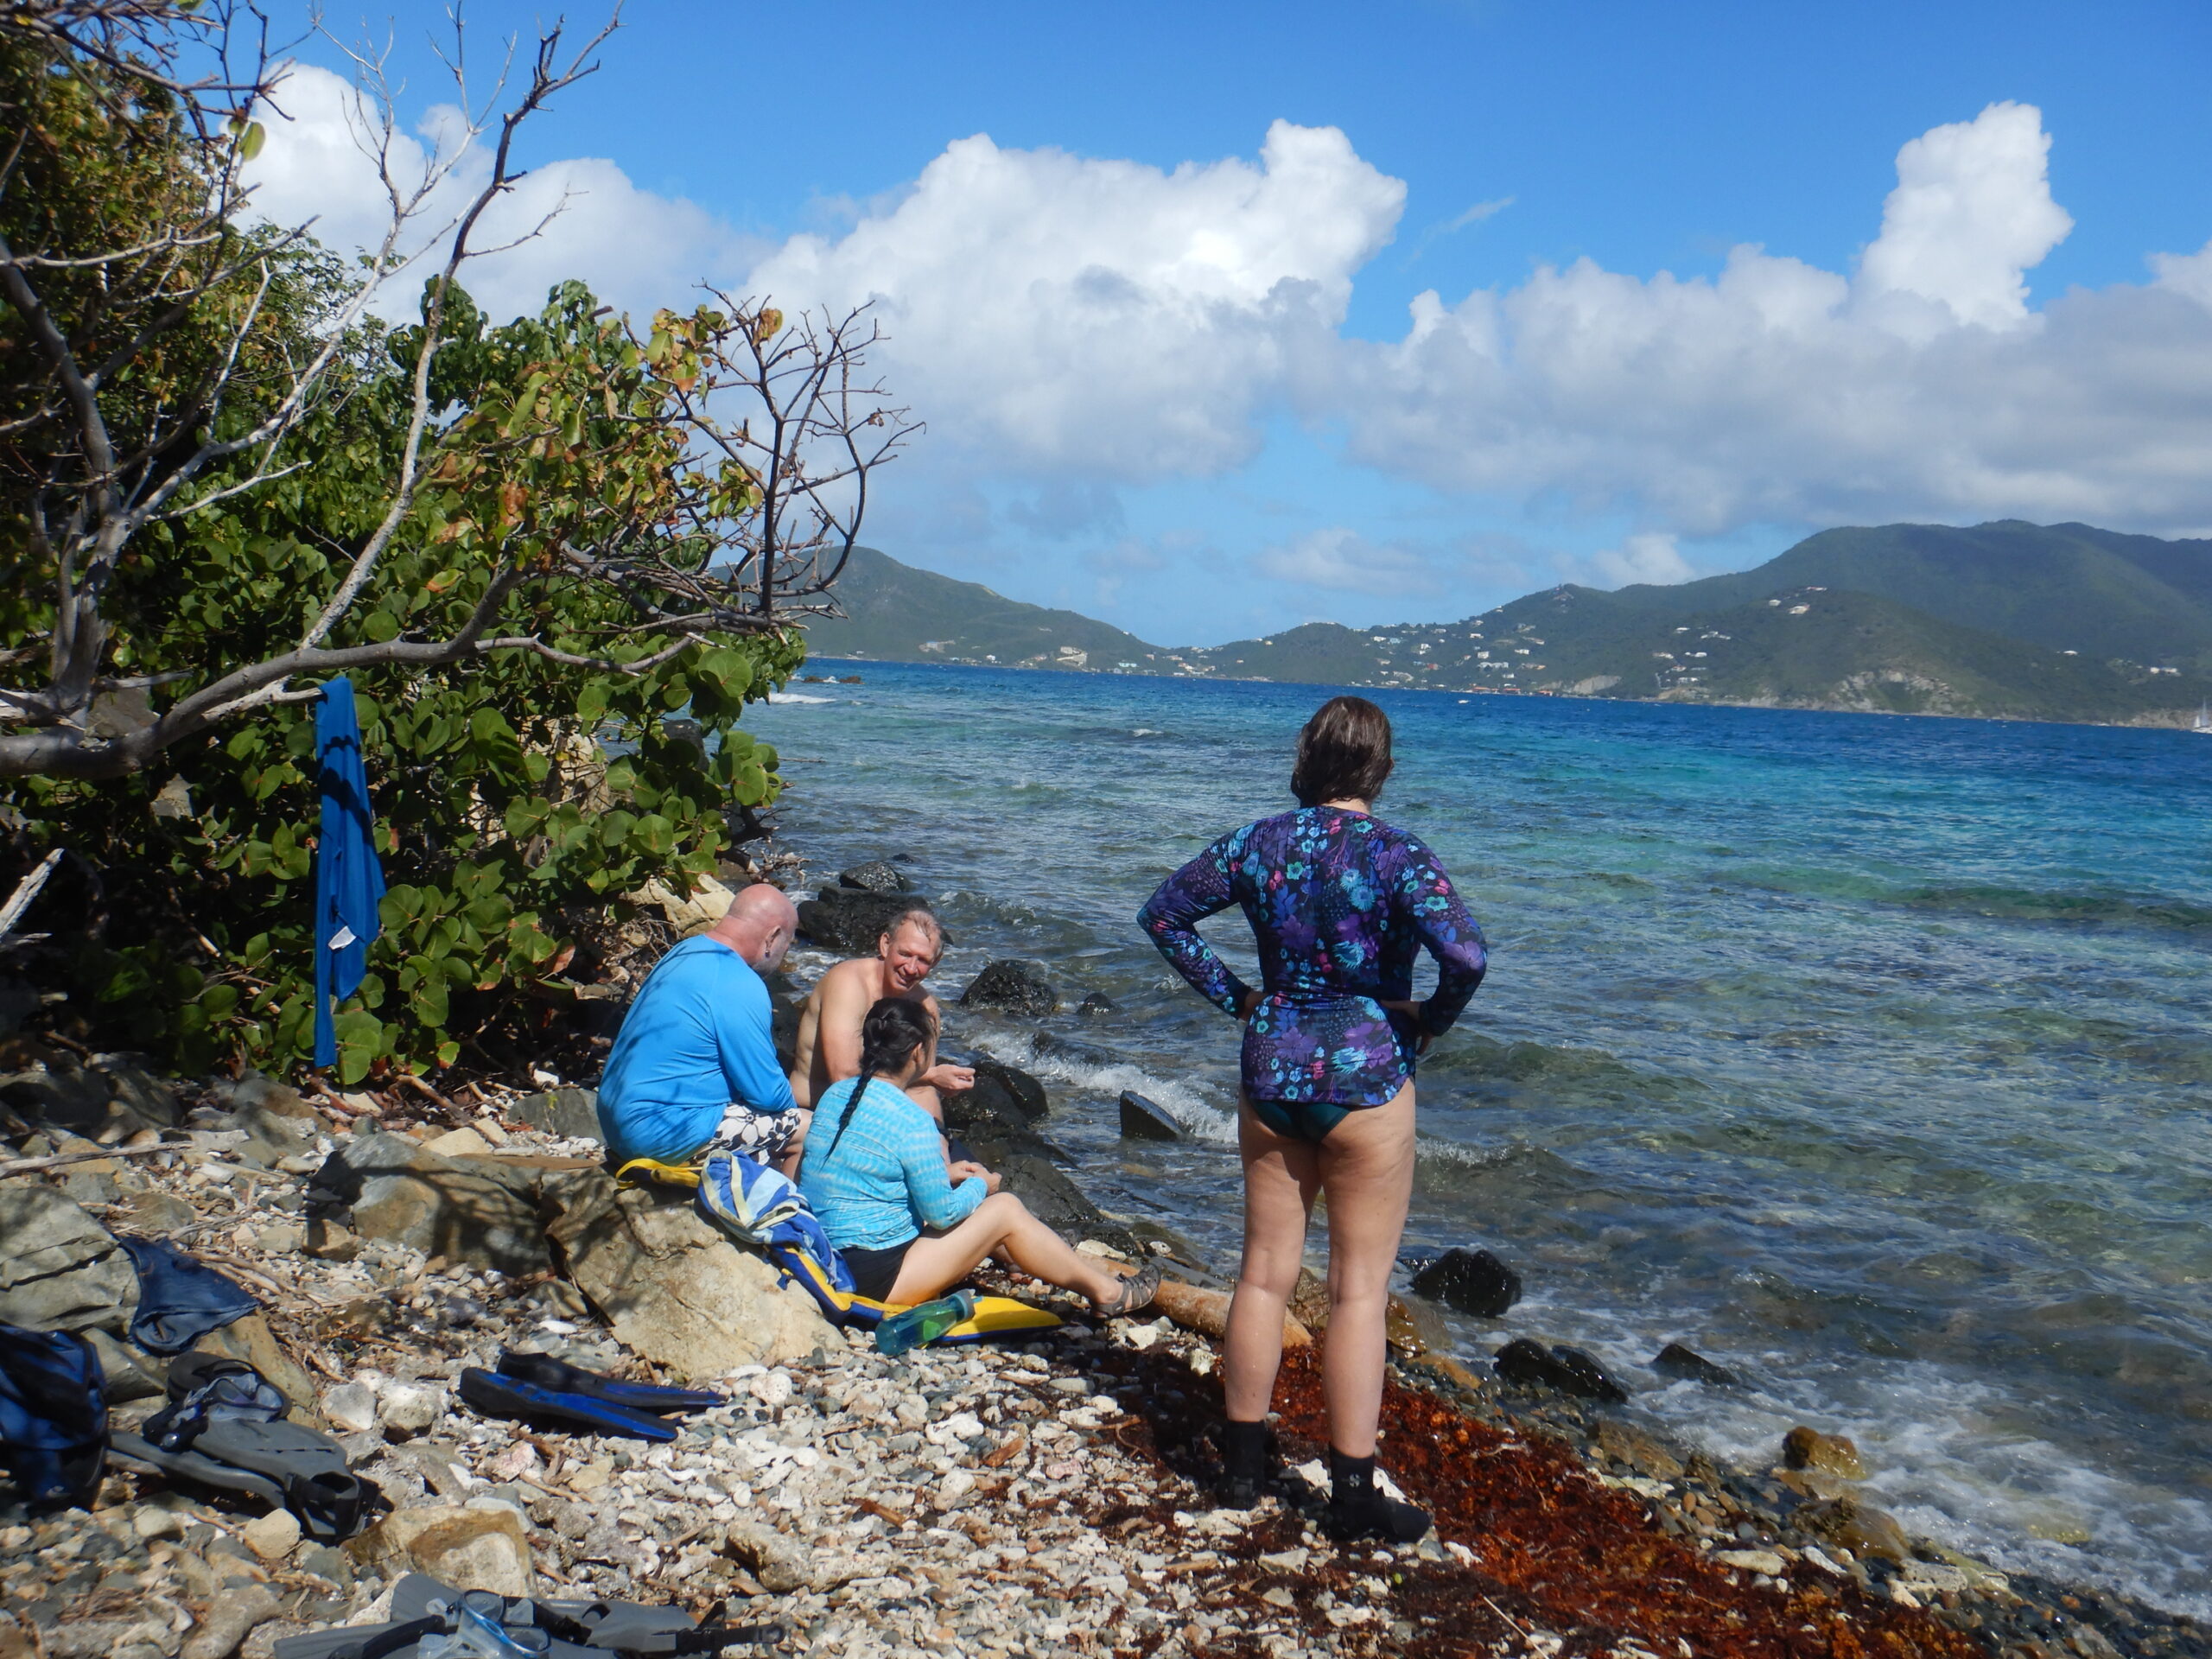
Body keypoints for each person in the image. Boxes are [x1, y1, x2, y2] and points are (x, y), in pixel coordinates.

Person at [1138, 696, 1486, 1542]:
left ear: (1305, 758)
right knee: (1357, 1292)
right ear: (1381, 769)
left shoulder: (1256, 843)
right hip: (1367, 1074)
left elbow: (1164, 917)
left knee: (1261, 1275)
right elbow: (1467, 955)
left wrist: (1239, 1000)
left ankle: (1242, 1472)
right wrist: (1426, 1022)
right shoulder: (1397, 853)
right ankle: (1353, 1494)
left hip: (1273, 1067)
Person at [799, 996, 1160, 1316]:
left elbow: (867, 1173)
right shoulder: (912, 1120)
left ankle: (1067, 1271)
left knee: (984, 1208)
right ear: (917, 1053)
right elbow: (941, 1215)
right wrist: (979, 1186)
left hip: (825, 1258)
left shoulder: (836, 1095)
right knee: (1004, 1208)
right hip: (874, 1282)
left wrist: (948, 1173)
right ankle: (1109, 1293)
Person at [595, 884, 809, 1174]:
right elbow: (769, 1095)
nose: (784, 954)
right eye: (788, 944)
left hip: (615, 1121)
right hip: (661, 1131)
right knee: (808, 1128)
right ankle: (783, 1215)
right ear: (772, 937)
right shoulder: (738, 982)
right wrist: (799, 1107)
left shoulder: (683, 952)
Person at [786, 904, 975, 1122]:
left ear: (936, 962)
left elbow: (921, 1092)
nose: (911, 968)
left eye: (923, 960)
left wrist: (938, 1139)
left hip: (876, 1115)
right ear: (885, 944)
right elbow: (843, 1077)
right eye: (905, 954)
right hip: (816, 1111)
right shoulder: (848, 983)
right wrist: (931, 1076)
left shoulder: (925, 1006)